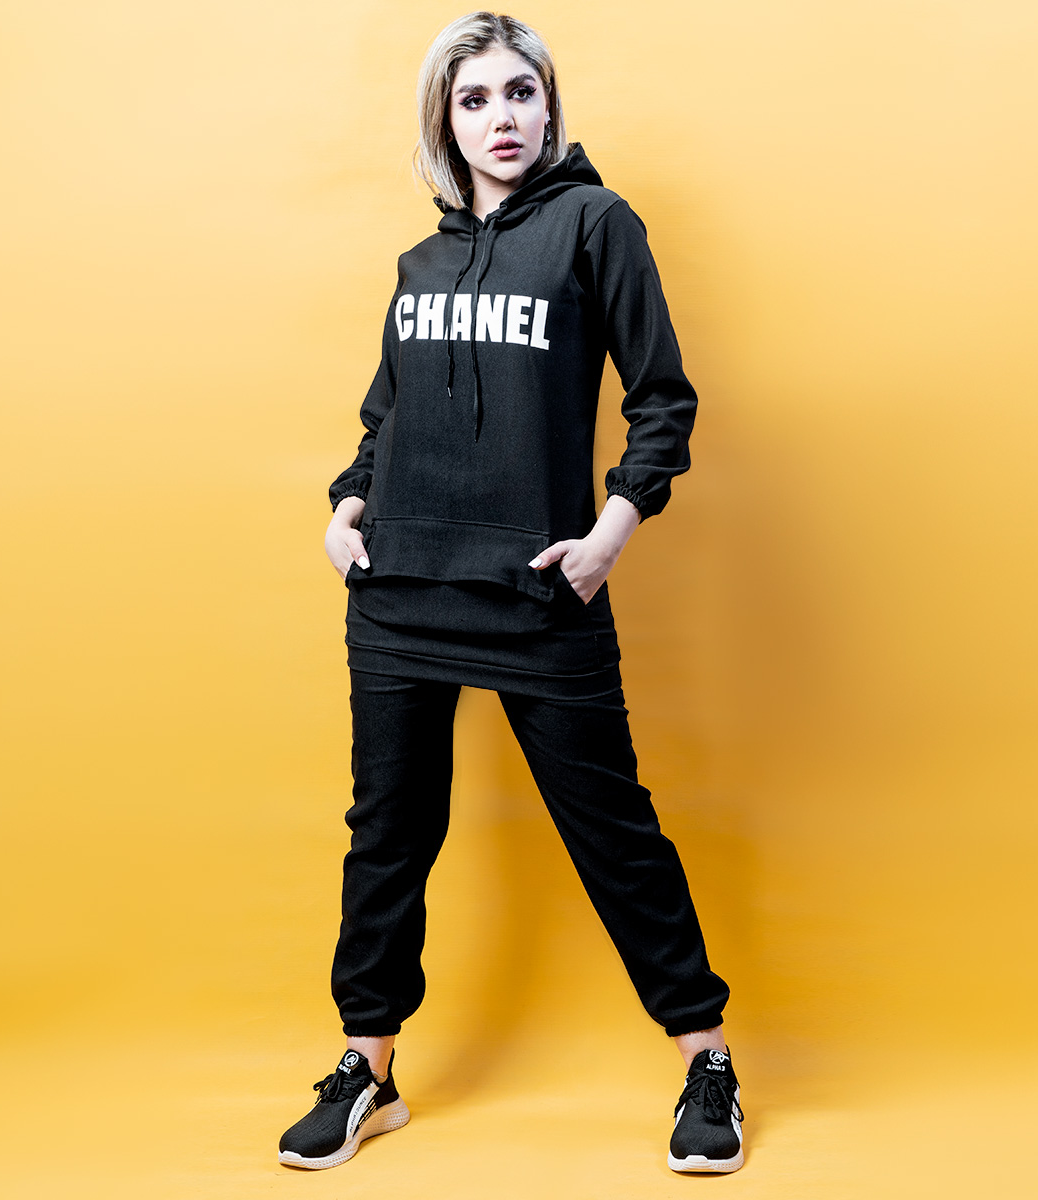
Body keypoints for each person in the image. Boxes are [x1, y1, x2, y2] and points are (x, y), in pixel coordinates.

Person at [278, 10, 743, 1176]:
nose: (502, 118)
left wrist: (611, 533)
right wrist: (347, 505)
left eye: (520, 93)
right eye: (476, 98)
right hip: (397, 594)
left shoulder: (596, 225)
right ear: (446, 120)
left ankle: (708, 1062)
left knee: (614, 834)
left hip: (540, 595)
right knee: (387, 837)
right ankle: (369, 1069)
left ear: (549, 105)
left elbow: (662, 400)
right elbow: (385, 417)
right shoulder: (421, 264)